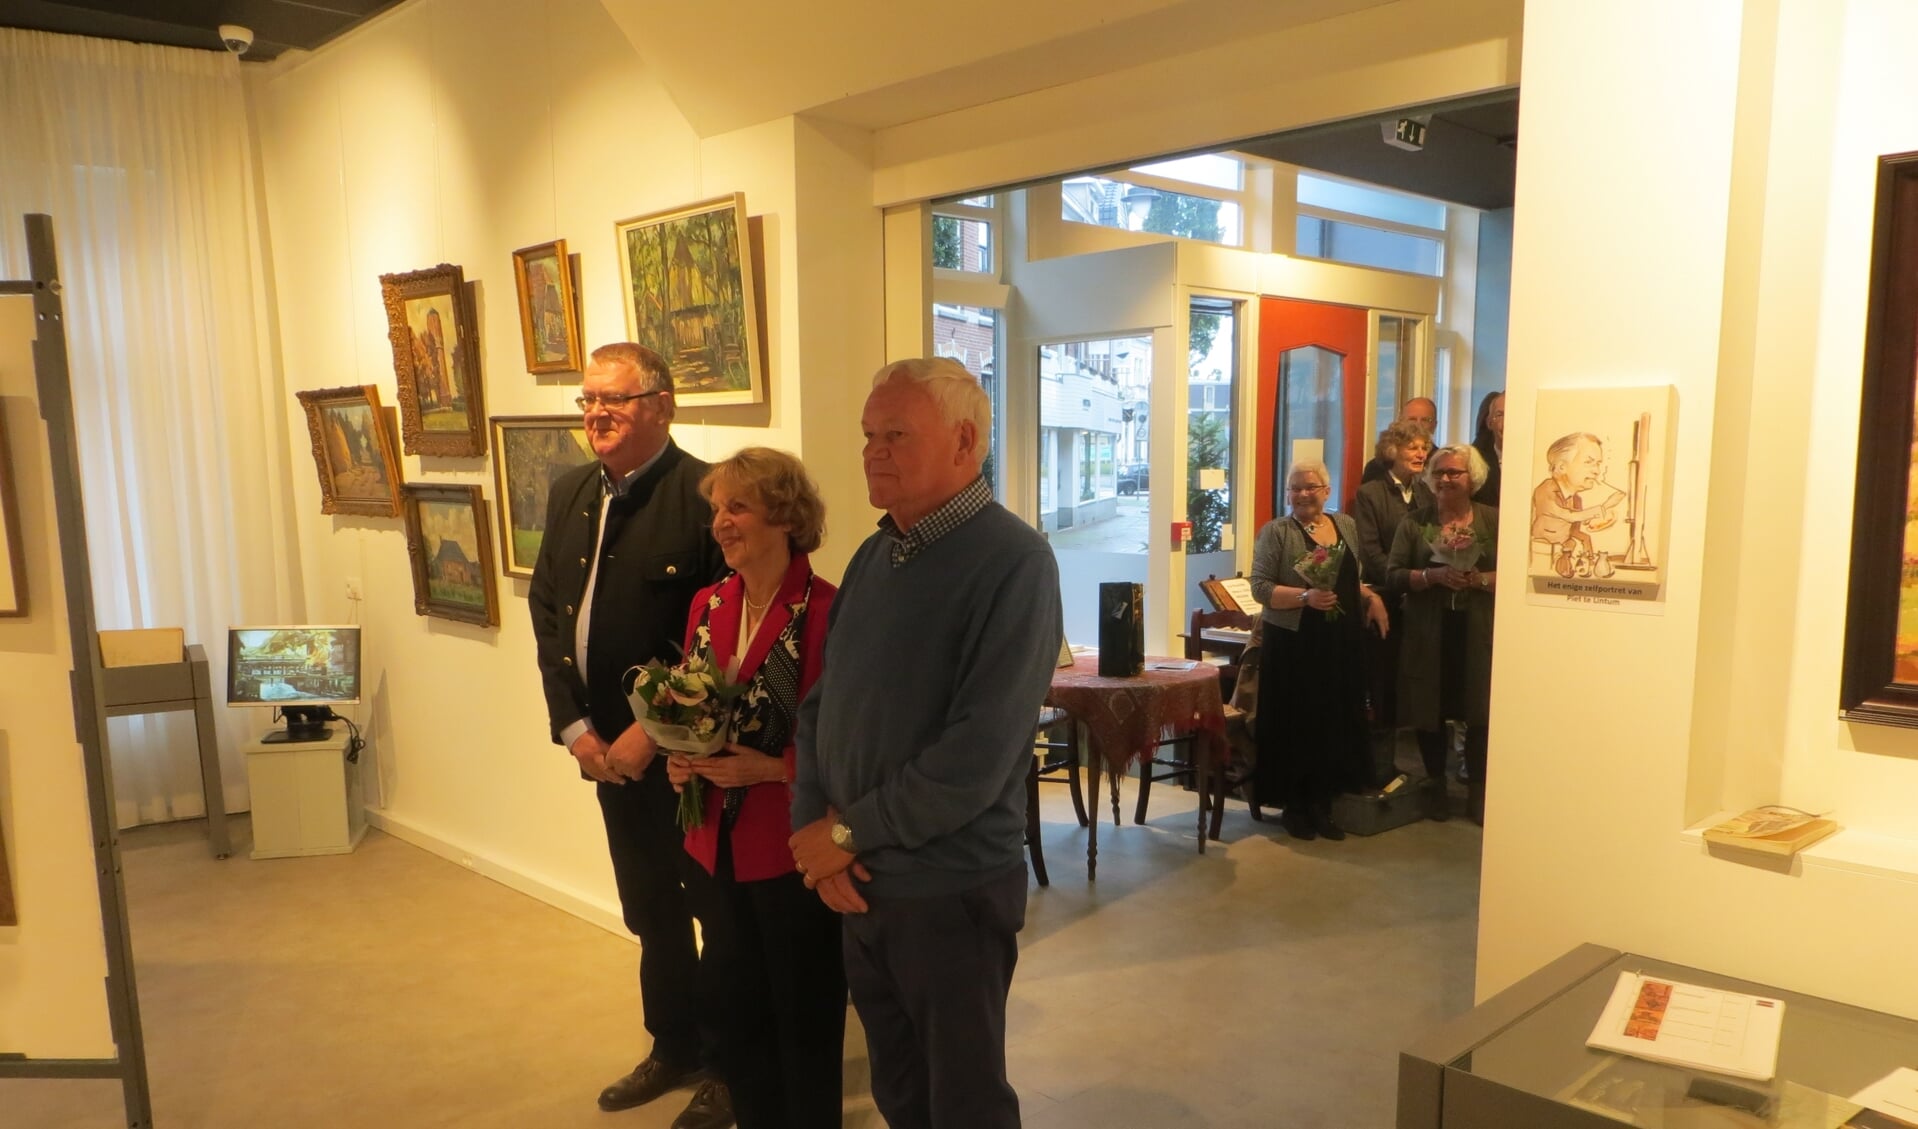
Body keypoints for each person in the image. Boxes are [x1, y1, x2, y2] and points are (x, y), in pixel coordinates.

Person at [790, 357, 1062, 1129]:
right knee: (901, 1093)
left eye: (896, 434)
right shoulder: (877, 555)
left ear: (965, 440)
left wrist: (844, 832)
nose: (873, 451)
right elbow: (820, 706)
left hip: (949, 888)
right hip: (863, 880)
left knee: (965, 1102)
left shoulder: (1014, 561)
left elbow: (976, 754)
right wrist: (817, 829)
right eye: (869, 435)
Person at [527, 342, 732, 1128]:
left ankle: (728, 1062)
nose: (596, 414)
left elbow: (717, 640)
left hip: (684, 761)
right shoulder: (571, 490)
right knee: (649, 908)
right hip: (606, 758)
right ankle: (671, 1042)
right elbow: (550, 615)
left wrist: (652, 733)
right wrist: (578, 729)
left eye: (614, 399)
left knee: (714, 910)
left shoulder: (708, 496)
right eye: (586, 401)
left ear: (662, 404)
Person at [664, 448, 846, 1129]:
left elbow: (846, 742)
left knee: (803, 1014)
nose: (721, 523)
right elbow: (686, 706)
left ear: (785, 515)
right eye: (717, 508)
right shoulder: (707, 604)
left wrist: (773, 768)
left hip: (791, 845)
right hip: (712, 843)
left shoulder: (828, 611)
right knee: (736, 1012)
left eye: (737, 506)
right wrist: (679, 755)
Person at [1248, 458, 1391, 840]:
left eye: (1310, 487)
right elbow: (1260, 588)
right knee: (1299, 725)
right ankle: (1296, 808)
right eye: (1295, 488)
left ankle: (1324, 806)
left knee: (1333, 723)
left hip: (1339, 643)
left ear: (1327, 491)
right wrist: (1305, 596)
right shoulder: (1276, 532)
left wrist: (1369, 598)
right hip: (1295, 645)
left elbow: (1352, 577)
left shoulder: (1345, 525)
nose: (1302, 494)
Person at [1387, 444, 1499, 824]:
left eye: (1455, 472)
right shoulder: (1415, 523)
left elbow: (1516, 573)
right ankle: (1435, 784)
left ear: (1474, 479)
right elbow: (1393, 574)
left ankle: (1478, 791)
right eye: (1439, 473)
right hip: (1429, 632)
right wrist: (1430, 576)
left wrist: (1479, 579)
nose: (1446, 479)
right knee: (1428, 710)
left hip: (1478, 632)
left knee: (1480, 711)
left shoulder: (1492, 520)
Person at [1351, 420, 1435, 784]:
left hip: (1421, 598)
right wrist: (1402, 579)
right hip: (1384, 599)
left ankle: (1419, 772)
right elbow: (1370, 553)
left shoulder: (1427, 494)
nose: (1420, 453)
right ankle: (1379, 769)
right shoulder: (1370, 494)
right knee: (1383, 683)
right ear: (1392, 452)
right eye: (1411, 447)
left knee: (1416, 685)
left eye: (1423, 447)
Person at [1529, 431, 1624, 578]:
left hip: (1563, 557)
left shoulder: (1576, 500)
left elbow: (1575, 531)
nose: (1596, 471)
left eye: (1598, 464)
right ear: (1561, 467)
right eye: (1588, 462)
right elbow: (1568, 516)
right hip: (1538, 556)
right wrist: (1604, 507)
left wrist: (1589, 556)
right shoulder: (1546, 489)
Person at [1360, 396, 1438, 484]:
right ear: (1400, 422)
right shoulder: (1377, 467)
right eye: (1412, 419)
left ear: (1435, 425)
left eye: (1425, 420)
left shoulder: (1441, 463)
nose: (1418, 424)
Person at [1472, 390, 1505, 506]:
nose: (1507, 421)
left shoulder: (1533, 461)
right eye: (1500, 415)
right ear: (1489, 422)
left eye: (1513, 414)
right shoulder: (1474, 462)